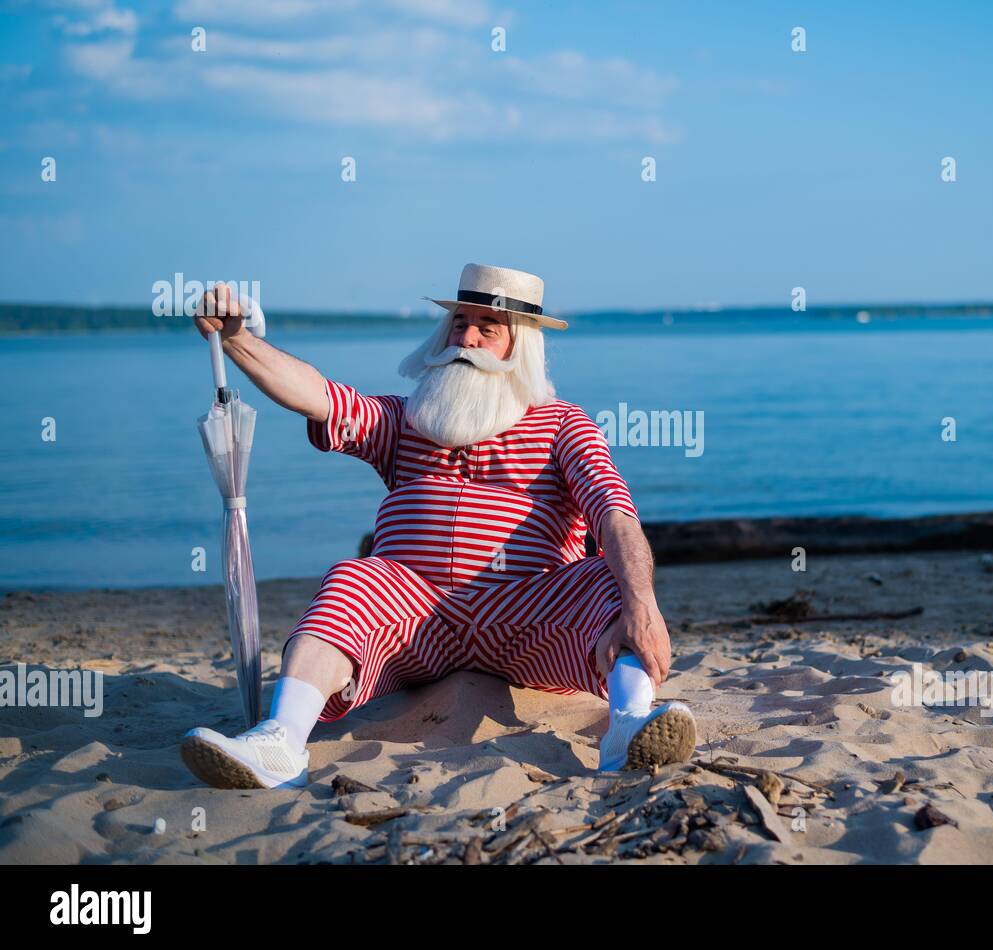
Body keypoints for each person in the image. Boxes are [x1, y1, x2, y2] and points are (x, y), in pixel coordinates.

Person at [180, 264, 695, 789]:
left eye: (486, 328)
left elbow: (613, 511)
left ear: (519, 347)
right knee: (352, 579)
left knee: (611, 578)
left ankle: (627, 727)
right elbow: (315, 394)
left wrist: (643, 604)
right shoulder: (404, 420)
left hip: (530, 614)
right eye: (458, 323)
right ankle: (282, 741)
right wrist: (238, 339)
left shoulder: (562, 422)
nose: (465, 338)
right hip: (414, 616)